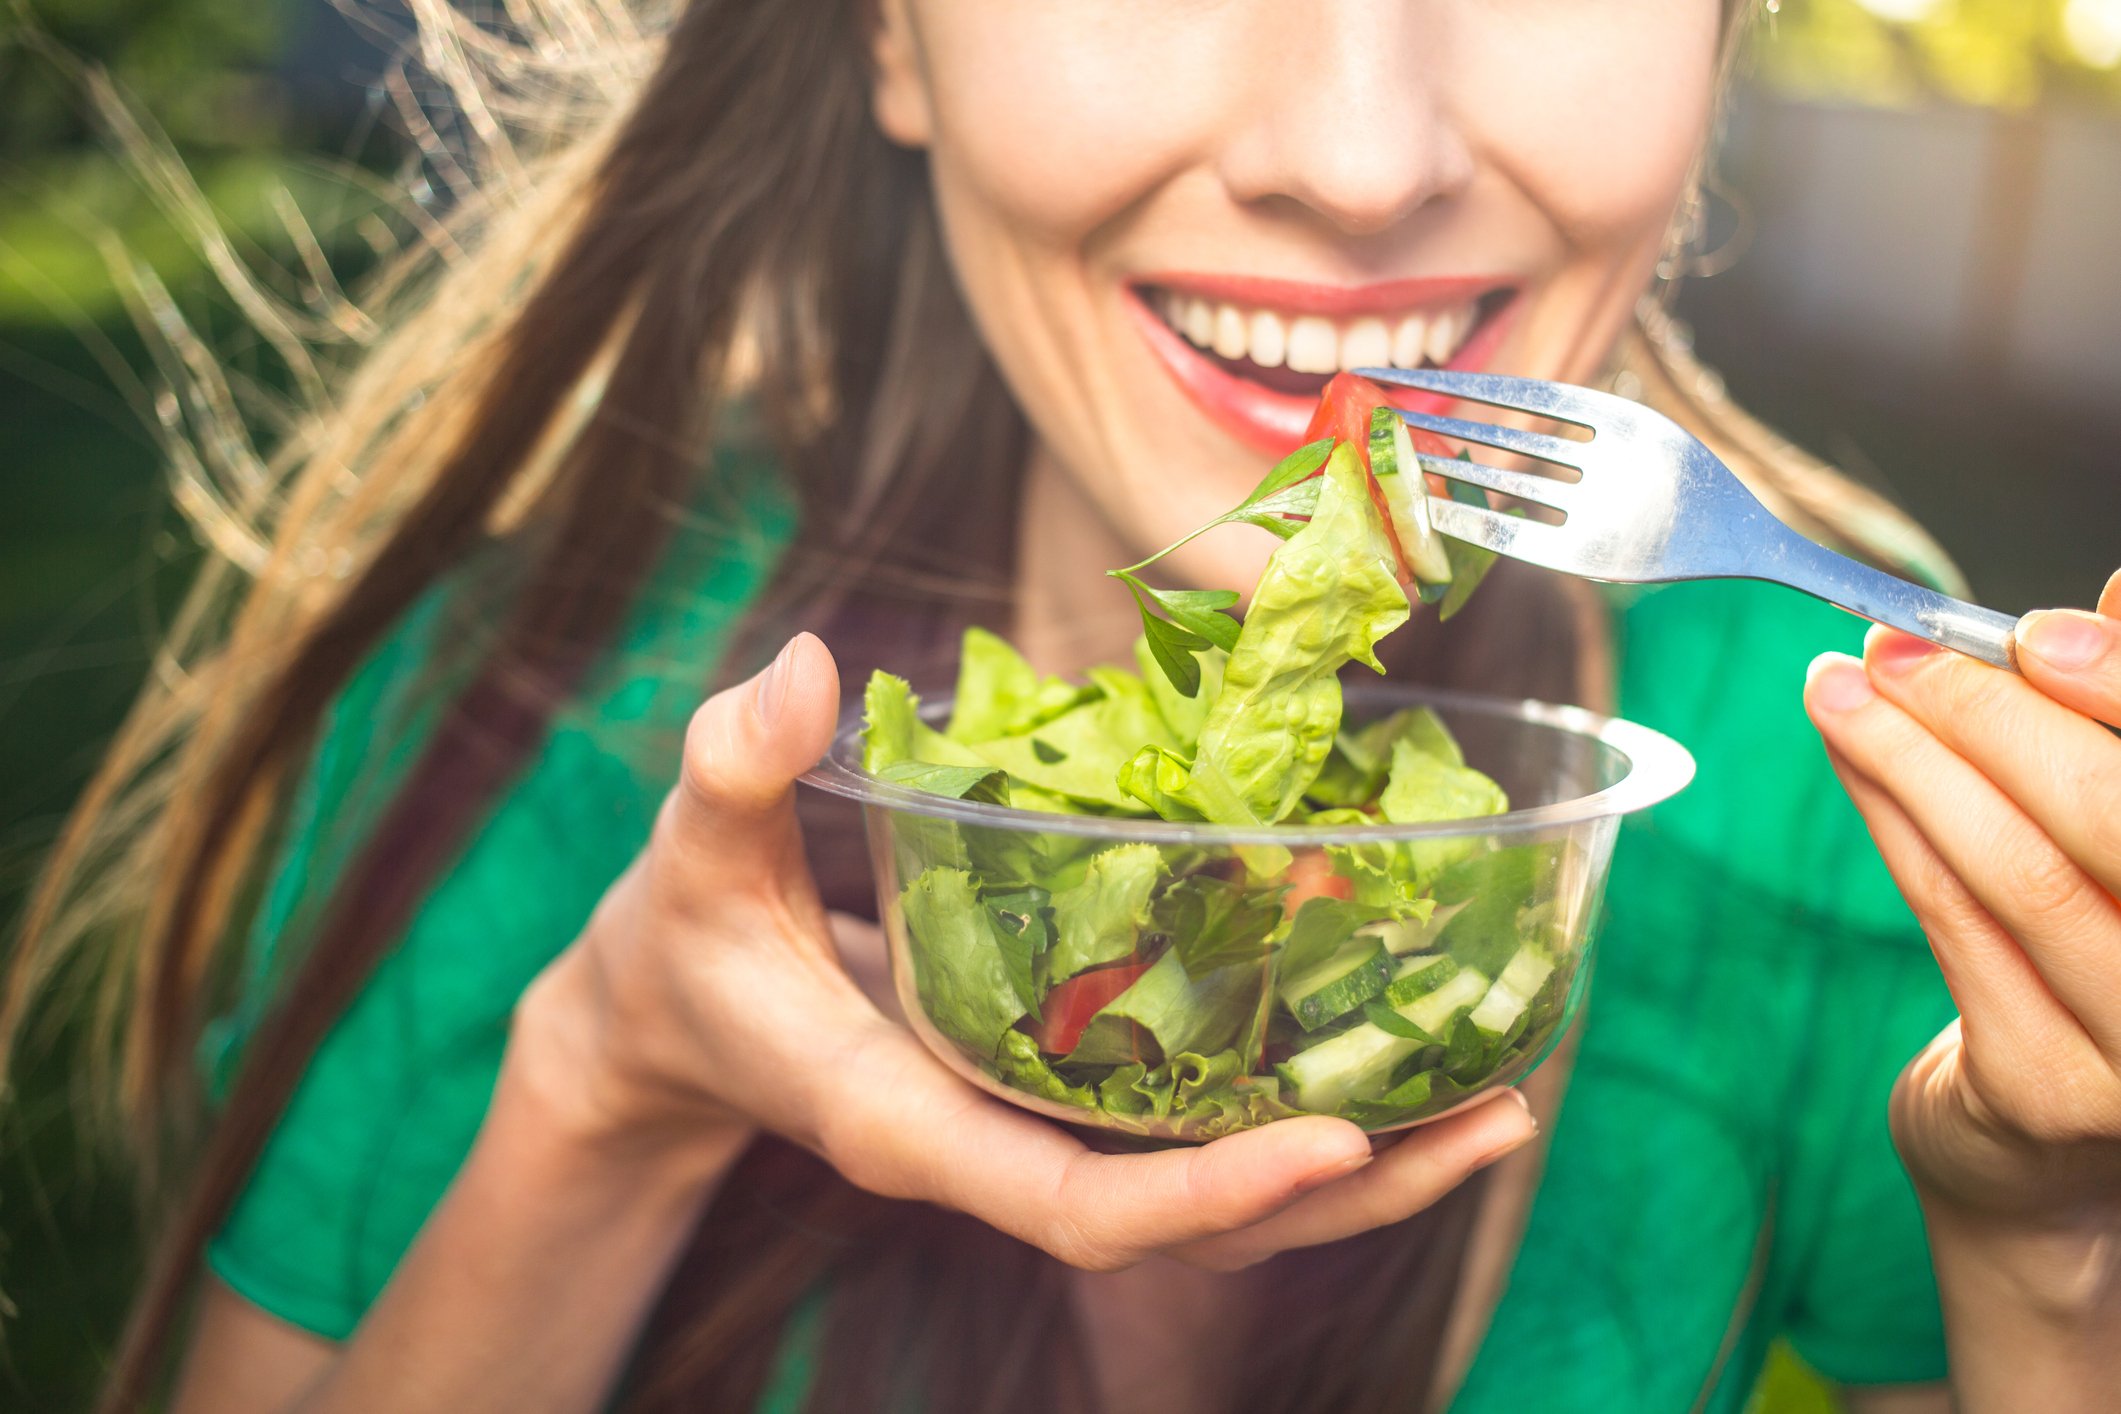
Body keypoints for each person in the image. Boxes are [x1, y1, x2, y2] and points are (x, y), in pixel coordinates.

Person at [9, 1, 2118, 1410]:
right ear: (890, 32)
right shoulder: (549, 713)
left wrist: (2048, 1241)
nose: (1359, 153)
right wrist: (607, 1088)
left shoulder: (1859, 773)